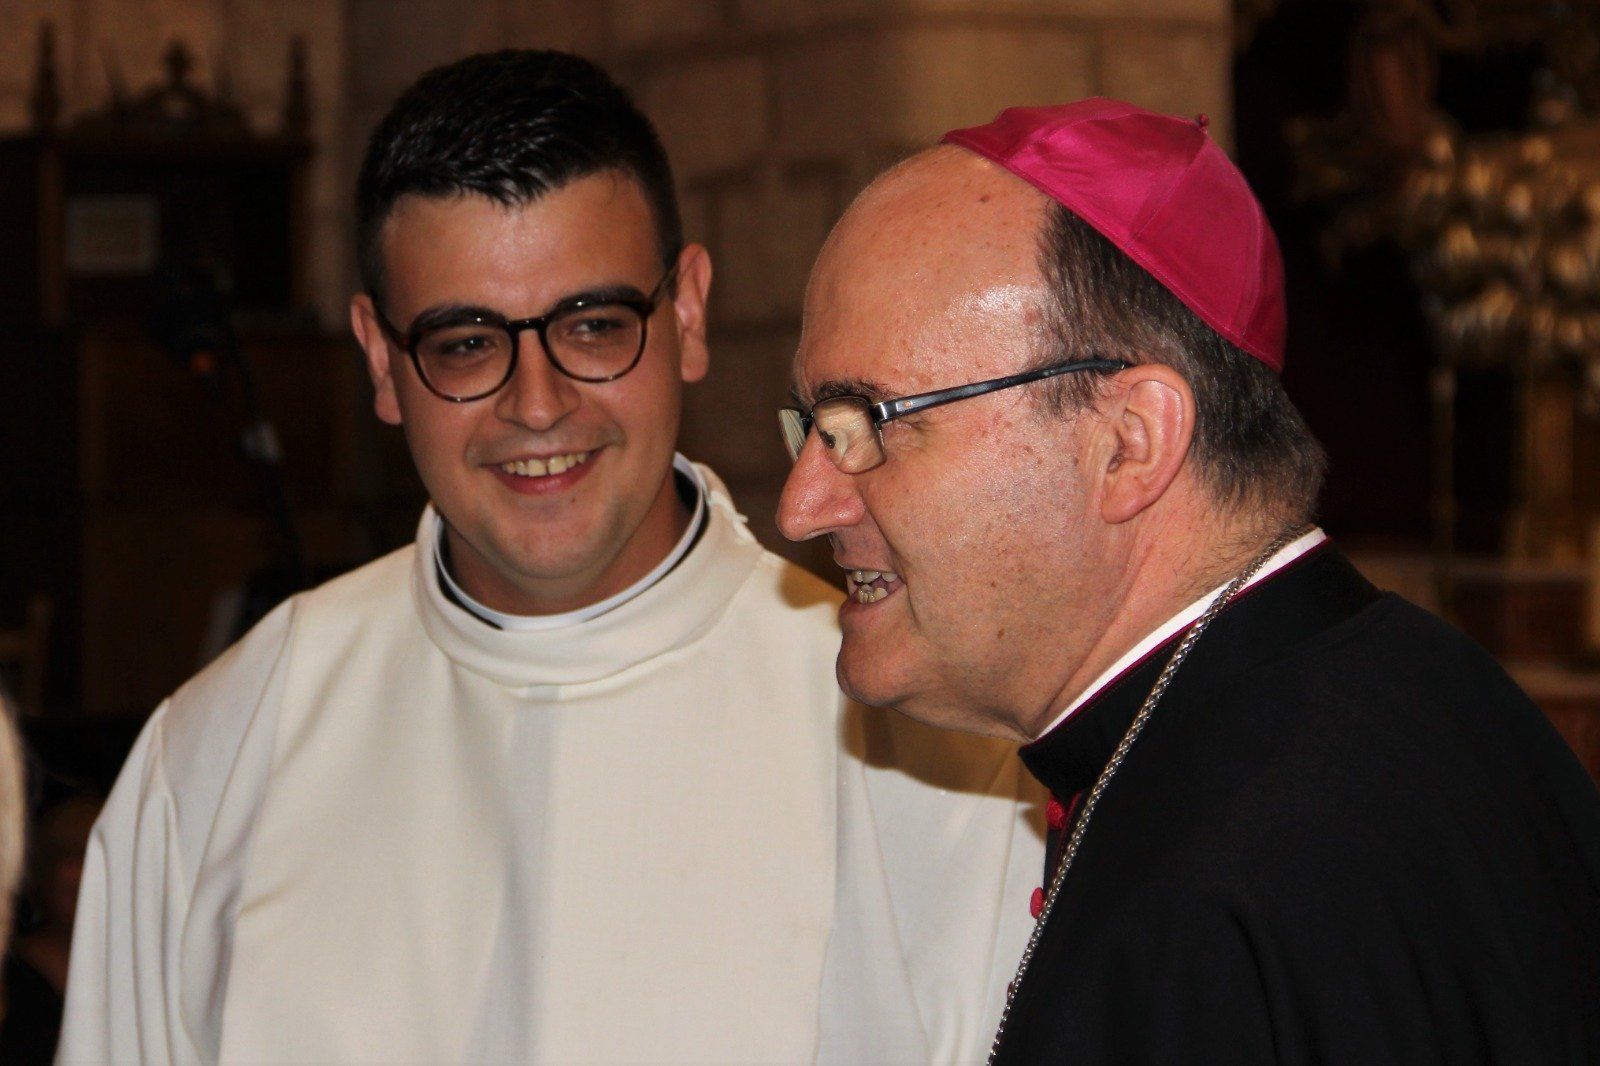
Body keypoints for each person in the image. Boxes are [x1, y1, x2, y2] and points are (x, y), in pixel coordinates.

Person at [59, 51, 1045, 1064]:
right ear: (381, 359)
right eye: (465, 343)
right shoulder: (224, 746)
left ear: (687, 314)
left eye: (593, 326)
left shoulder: (925, 755)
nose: (536, 405)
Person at [777, 97, 1600, 1063]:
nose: (801, 507)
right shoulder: (1434, 695)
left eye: (865, 424)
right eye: (812, 428)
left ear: (1130, 443)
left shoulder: (1222, 890)